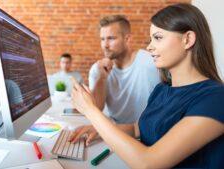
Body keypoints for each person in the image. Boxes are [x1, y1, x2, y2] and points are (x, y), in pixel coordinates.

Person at [70, 3, 224, 168]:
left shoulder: (215, 99)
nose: (149, 47)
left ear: (187, 40)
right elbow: (138, 128)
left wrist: (91, 112)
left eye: (158, 38)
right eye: (151, 39)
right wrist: (99, 130)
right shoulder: (162, 89)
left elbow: (148, 163)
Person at [89, 15, 160, 123]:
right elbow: (96, 109)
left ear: (127, 39)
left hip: (144, 132)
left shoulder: (151, 63)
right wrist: (102, 78)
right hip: (112, 131)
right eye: (102, 39)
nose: (105, 45)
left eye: (111, 38)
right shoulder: (97, 69)